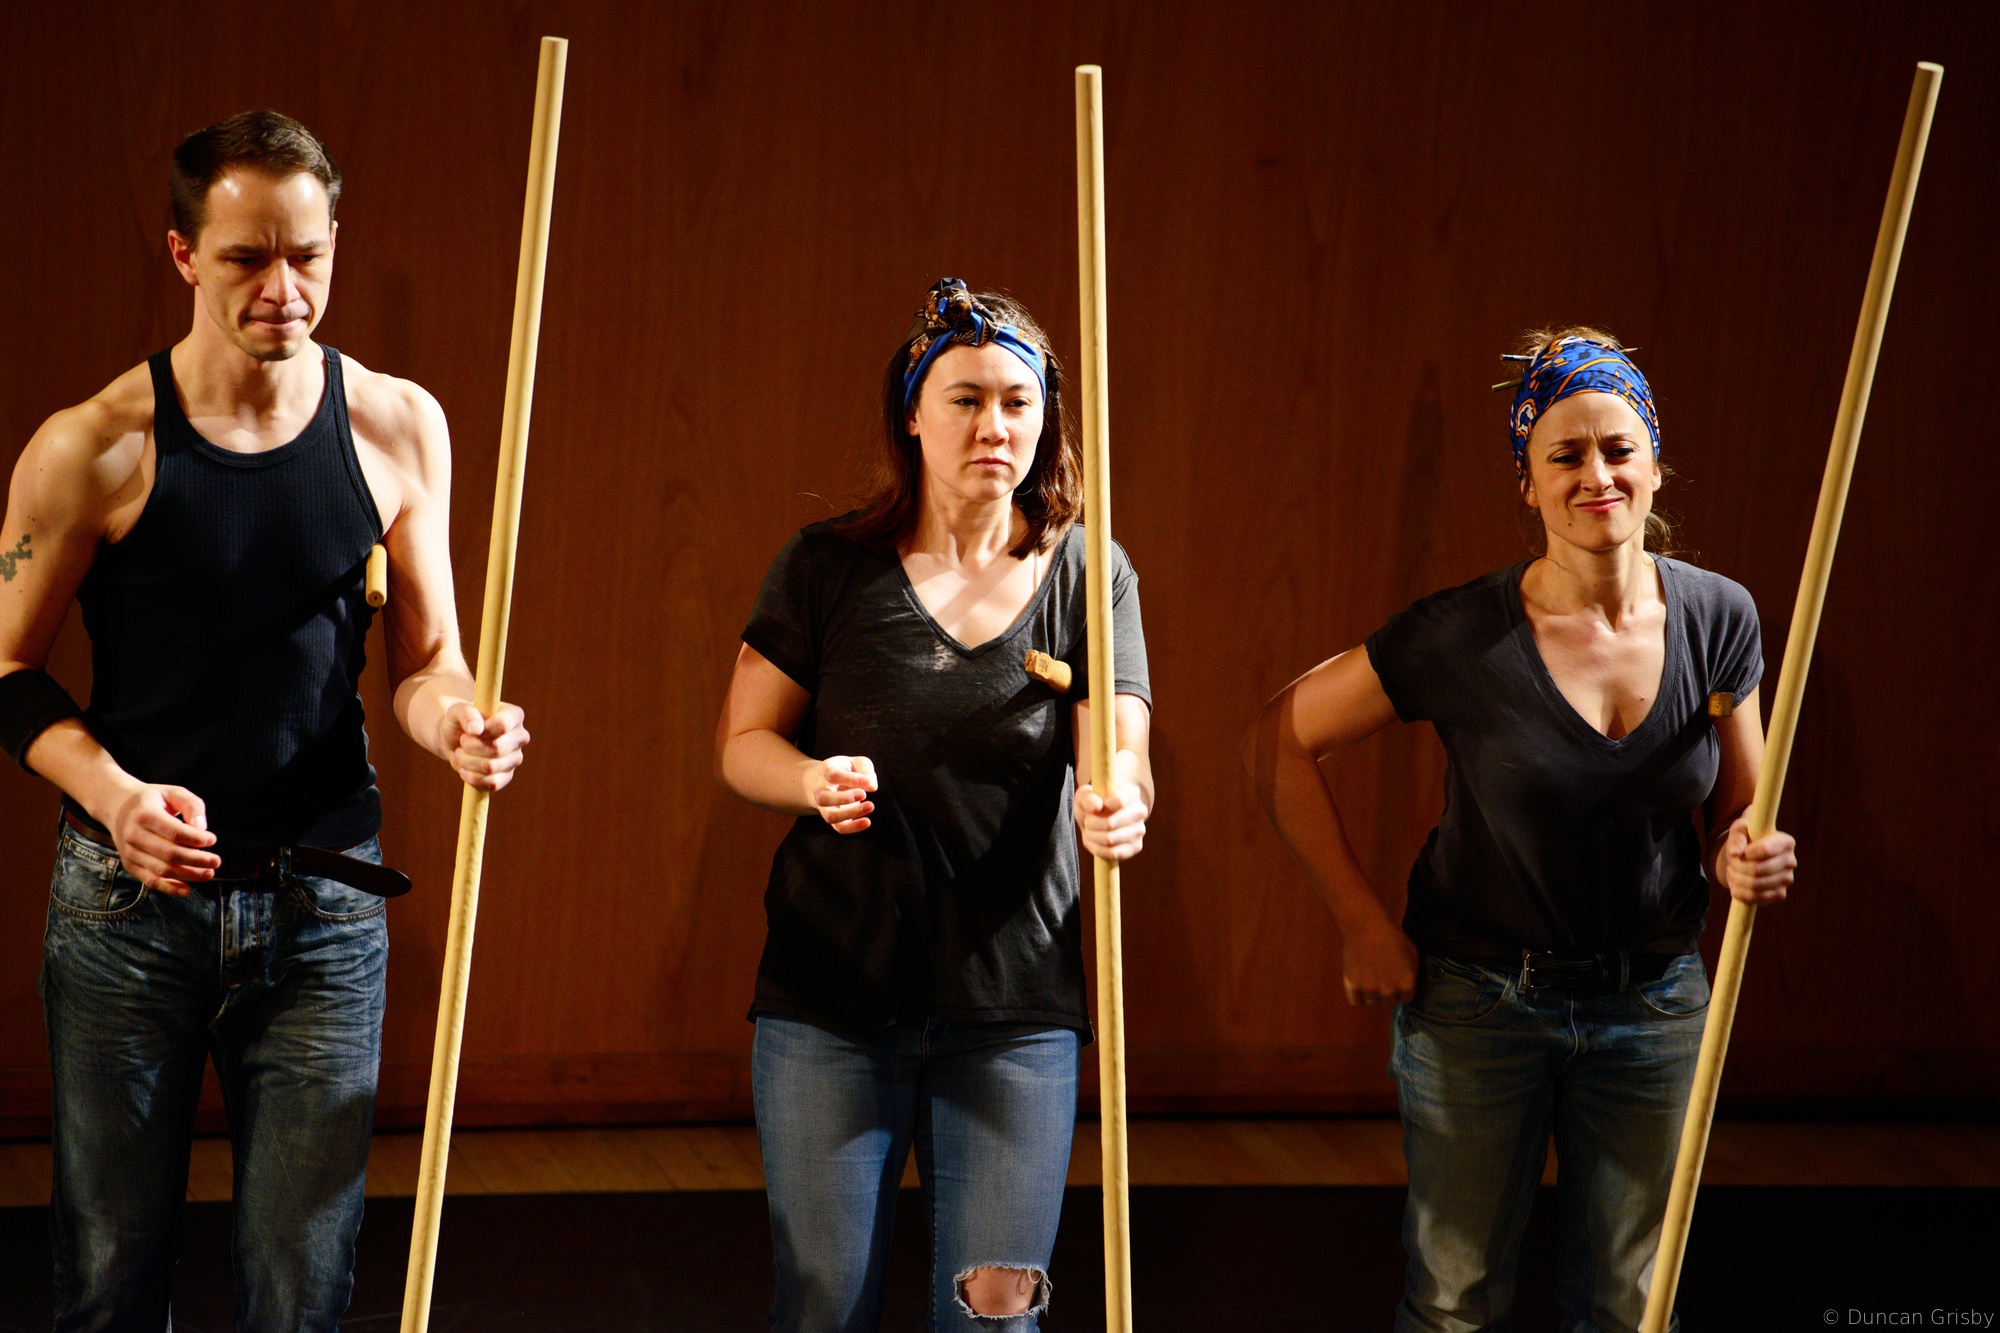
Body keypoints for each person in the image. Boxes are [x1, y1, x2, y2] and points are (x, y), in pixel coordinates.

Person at [0, 110, 530, 1329]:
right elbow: (9, 668)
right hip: (128, 907)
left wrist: (461, 721)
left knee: (302, 1290)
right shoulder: (96, 444)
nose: (284, 289)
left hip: (322, 903)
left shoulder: (397, 424)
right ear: (184, 254)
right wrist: (114, 797)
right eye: (247, 258)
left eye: (308, 255)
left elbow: (429, 662)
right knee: (110, 1277)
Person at [1245, 329, 1798, 1332]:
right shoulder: (1460, 632)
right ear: (1527, 483)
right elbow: (1278, 741)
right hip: (1479, 1003)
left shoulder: (1719, 617)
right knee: (1455, 1302)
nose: (1597, 475)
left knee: (1632, 1304)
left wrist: (1745, 857)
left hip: (1652, 1000)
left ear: (1654, 462)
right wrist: (1360, 921)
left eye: (1618, 449)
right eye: (1565, 455)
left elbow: (1735, 817)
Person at [715, 279, 1153, 1331]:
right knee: (824, 1302)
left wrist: (1119, 803)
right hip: (832, 996)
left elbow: (1122, 752)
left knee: (995, 1309)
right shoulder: (827, 565)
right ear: (912, 414)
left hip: (1011, 1004)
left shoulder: (1089, 571)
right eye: (965, 399)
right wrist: (810, 780)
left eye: (1017, 400)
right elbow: (742, 744)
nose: (994, 425)